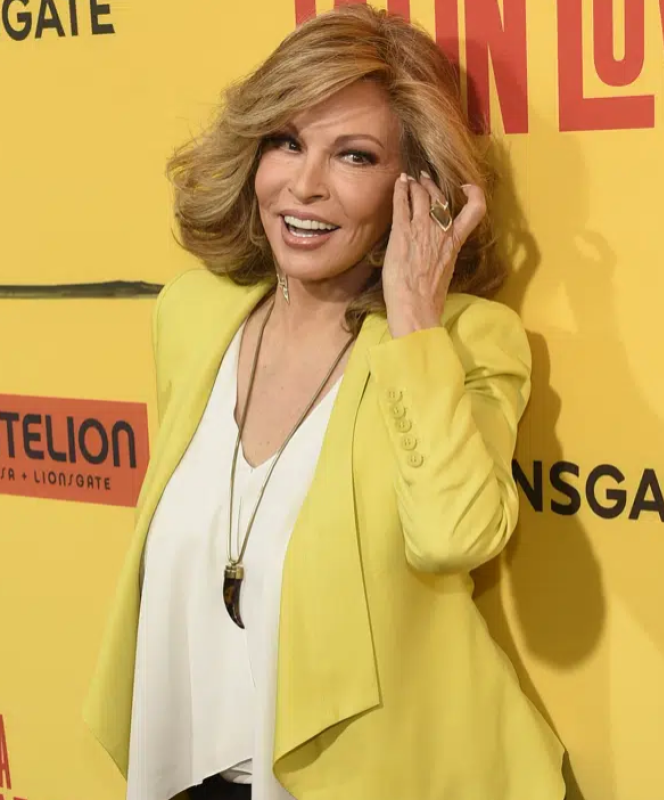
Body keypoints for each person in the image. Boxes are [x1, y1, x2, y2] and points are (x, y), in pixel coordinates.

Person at [82, 5, 565, 800]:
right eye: (286, 142)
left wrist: (414, 323)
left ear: (414, 187)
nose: (305, 185)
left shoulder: (465, 341)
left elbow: (454, 537)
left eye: (353, 155)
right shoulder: (192, 315)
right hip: (195, 776)